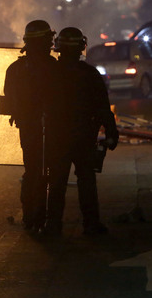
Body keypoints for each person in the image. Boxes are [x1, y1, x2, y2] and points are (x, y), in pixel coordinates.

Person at [44, 26, 119, 237]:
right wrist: (112, 132)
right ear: (81, 48)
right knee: (86, 180)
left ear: (58, 48)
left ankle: (52, 226)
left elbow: (36, 105)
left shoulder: (49, 74)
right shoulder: (90, 74)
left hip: (57, 137)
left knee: (56, 182)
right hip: (84, 137)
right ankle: (91, 224)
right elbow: (103, 107)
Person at [3, 20, 58, 233]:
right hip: (47, 128)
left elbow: (10, 101)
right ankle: (45, 219)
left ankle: (31, 217)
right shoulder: (54, 67)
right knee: (49, 173)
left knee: (33, 170)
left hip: (30, 128)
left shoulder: (16, 69)